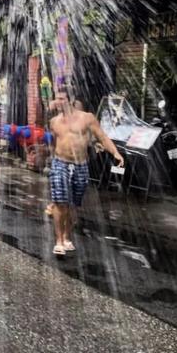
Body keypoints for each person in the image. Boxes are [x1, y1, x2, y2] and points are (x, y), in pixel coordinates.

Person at [49, 88, 124, 255]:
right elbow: (54, 142)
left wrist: (115, 152)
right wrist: (52, 160)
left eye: (62, 99)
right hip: (60, 163)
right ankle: (59, 241)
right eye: (57, 99)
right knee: (60, 202)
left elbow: (102, 137)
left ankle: (67, 237)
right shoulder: (54, 121)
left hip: (80, 165)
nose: (58, 102)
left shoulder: (87, 118)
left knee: (74, 205)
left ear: (71, 100)